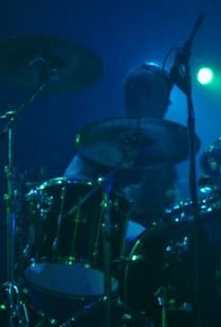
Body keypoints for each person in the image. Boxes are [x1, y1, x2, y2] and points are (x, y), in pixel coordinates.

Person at [64, 62, 179, 226]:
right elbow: (72, 188)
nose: (168, 104)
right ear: (141, 96)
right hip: (106, 233)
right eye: (163, 97)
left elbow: (168, 198)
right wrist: (121, 199)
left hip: (150, 233)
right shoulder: (101, 141)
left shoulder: (161, 148)